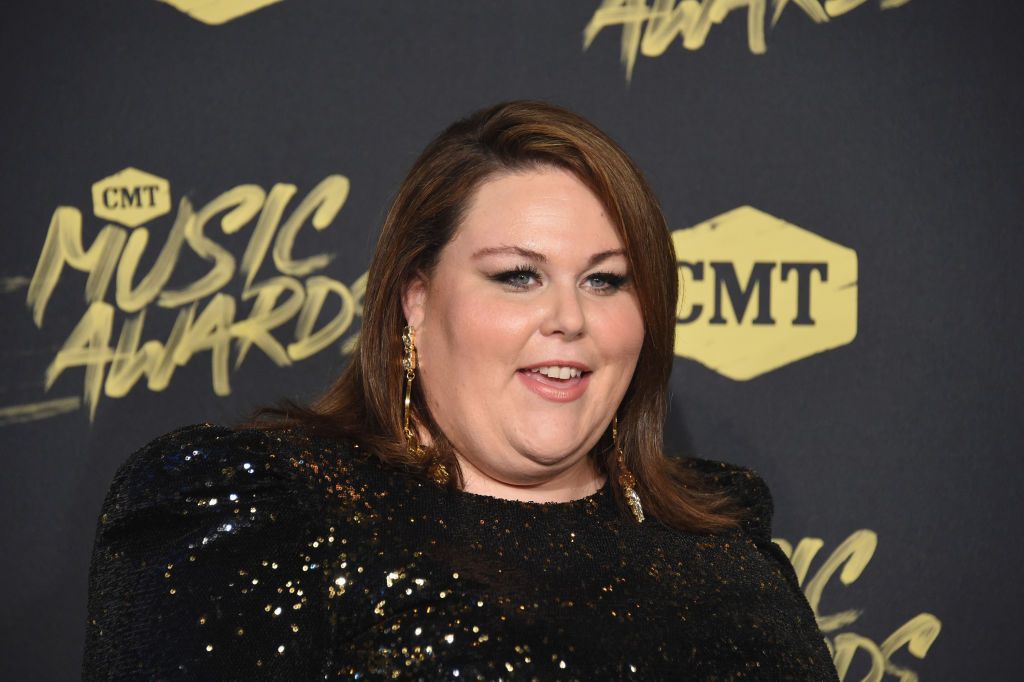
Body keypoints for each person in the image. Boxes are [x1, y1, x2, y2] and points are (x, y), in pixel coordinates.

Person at [82, 101, 839, 680]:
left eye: (606, 280)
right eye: (518, 276)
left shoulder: (720, 526)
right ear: (416, 298)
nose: (568, 320)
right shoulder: (263, 513)